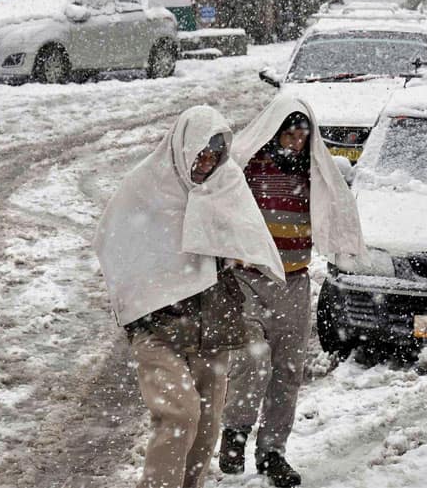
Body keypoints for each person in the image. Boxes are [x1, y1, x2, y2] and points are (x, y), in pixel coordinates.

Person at [93, 106, 286, 488]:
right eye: (201, 155)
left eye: (215, 157)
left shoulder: (223, 184)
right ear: (183, 148)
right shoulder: (146, 188)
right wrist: (145, 301)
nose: (206, 164)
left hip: (212, 326)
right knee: (179, 416)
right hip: (158, 328)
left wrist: (234, 253)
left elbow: (245, 234)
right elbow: (114, 246)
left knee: (207, 426)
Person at [218, 97, 366, 487]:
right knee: (253, 360)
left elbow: (335, 211)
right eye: (289, 134)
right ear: (274, 133)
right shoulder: (247, 169)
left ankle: (272, 453)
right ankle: (234, 432)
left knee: (287, 370)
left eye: (303, 135)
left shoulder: (313, 173)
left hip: (294, 282)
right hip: (247, 279)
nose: (296, 143)